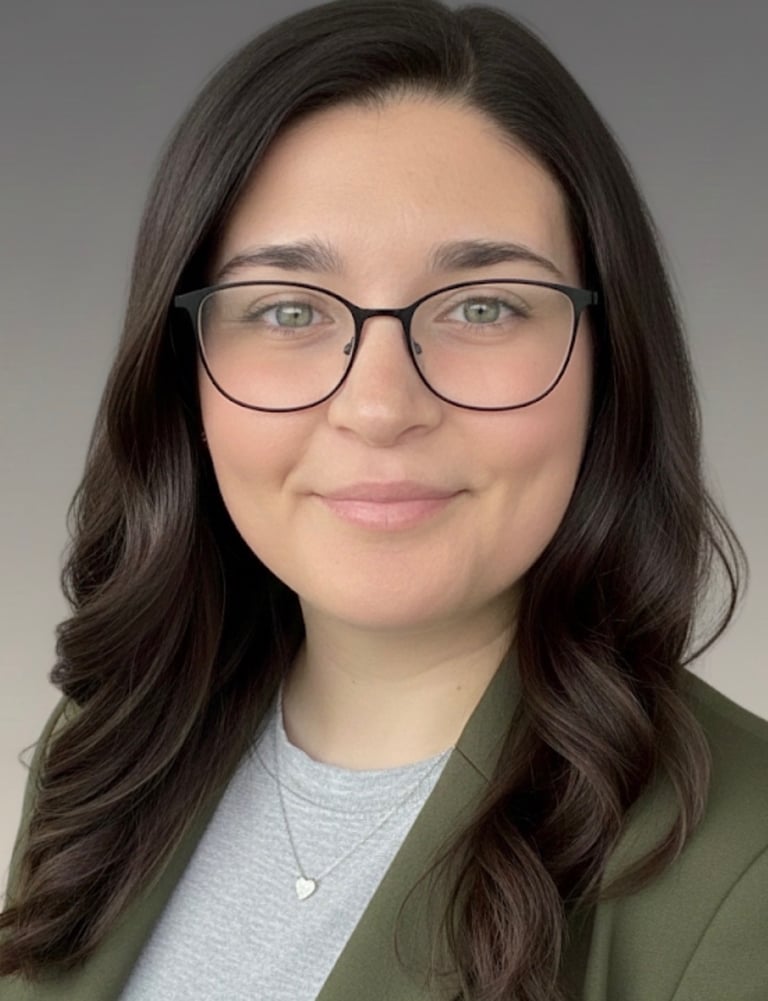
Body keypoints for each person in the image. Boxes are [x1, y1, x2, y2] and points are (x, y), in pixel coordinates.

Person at [1, 0, 766, 998]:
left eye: (483, 306)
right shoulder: (107, 752)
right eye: (287, 309)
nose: (378, 405)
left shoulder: (742, 873)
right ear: (181, 371)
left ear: (608, 364)